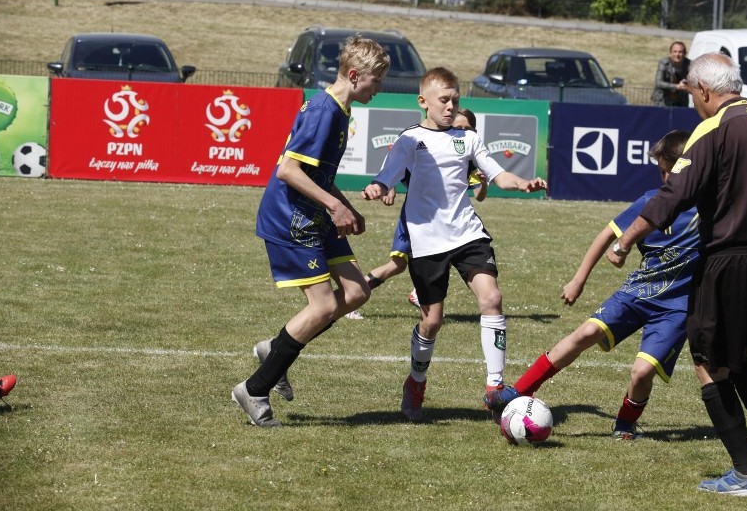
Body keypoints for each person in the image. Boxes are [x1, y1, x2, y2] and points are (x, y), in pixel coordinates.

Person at [607, 52, 747, 496]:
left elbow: (671, 197)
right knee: (742, 358)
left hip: (729, 263)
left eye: (690, 92)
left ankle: (745, 473)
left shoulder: (713, 129)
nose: (692, 102)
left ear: (704, 90)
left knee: (708, 362)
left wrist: (626, 240)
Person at [485, 130, 699, 440]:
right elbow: (606, 235)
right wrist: (578, 279)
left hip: (676, 308)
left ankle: (625, 425)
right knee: (585, 332)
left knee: (641, 372)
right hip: (638, 292)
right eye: (662, 172)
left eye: (668, 172)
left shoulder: (711, 211)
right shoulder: (651, 201)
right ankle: (517, 392)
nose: (665, 179)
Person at [362, 67, 546, 422]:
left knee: (491, 298)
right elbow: (387, 176)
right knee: (432, 322)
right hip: (426, 239)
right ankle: (416, 381)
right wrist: (377, 187)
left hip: (467, 233)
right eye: (443, 100)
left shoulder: (468, 139)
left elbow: (497, 174)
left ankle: (495, 389)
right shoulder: (409, 139)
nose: (450, 107)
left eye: (455, 101)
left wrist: (522, 183)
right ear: (423, 102)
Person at [232, 35, 391, 427]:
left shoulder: (338, 109)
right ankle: (254, 389)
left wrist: (345, 205)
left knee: (357, 291)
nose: (379, 88)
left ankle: (276, 348)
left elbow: (316, 173)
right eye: (376, 80)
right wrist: (335, 205)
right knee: (321, 307)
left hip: (314, 215)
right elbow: (287, 170)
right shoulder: (324, 110)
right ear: (355, 75)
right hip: (290, 219)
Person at [355, 107, 489, 315]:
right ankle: (353, 296)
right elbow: (398, 166)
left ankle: (415, 293)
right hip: (419, 219)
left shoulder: (467, 158)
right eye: (458, 126)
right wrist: (389, 187)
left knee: (409, 263)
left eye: (468, 128)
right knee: (397, 264)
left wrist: (483, 182)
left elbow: (479, 195)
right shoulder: (427, 144)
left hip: (447, 223)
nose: (463, 131)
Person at [652, 41, 691, 107]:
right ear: (670, 53)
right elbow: (658, 83)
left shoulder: (690, 64)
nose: (677, 54)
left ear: (685, 53)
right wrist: (677, 86)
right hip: (662, 100)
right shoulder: (664, 63)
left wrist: (687, 86)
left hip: (681, 101)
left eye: (680, 52)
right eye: (675, 51)